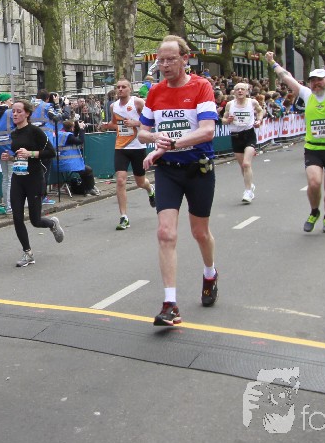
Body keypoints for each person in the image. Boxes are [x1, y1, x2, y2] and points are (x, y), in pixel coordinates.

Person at [137, 36, 218, 327]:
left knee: (200, 232)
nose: (165, 65)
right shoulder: (155, 92)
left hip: (198, 168)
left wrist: (172, 143)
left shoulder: (201, 86)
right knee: (165, 233)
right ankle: (170, 304)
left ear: (185, 59)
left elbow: (207, 130)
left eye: (171, 59)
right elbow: (142, 132)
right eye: (161, 60)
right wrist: (154, 138)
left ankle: (210, 273)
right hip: (168, 170)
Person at [266, 31, 325, 233]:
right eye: (313, 80)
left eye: (319, 80)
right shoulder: (307, 94)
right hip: (313, 149)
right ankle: (314, 211)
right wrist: (272, 62)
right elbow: (286, 77)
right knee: (314, 183)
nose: (316, 83)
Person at [1, 101, 64, 267]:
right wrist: (11, 157)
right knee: (17, 217)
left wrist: (31, 153)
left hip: (34, 178)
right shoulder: (14, 133)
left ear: (27, 114)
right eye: (13, 111)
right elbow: (19, 156)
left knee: (35, 221)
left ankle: (52, 224)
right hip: (18, 177)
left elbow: (51, 152)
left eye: (19, 111)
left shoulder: (35, 131)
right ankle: (28, 253)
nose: (15, 114)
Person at [101, 79, 154, 230]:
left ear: (130, 89)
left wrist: (135, 123)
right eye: (118, 87)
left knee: (140, 182)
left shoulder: (138, 103)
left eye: (123, 87)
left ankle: (150, 189)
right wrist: (105, 126)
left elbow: (150, 122)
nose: (120, 89)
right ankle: (123, 217)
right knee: (120, 180)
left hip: (138, 146)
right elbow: (115, 124)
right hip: (121, 147)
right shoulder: (113, 106)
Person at [221, 82, 263, 203]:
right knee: (242, 166)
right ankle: (250, 184)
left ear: (246, 92)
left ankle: (248, 191)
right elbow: (223, 120)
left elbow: (260, 111)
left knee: (246, 164)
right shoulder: (230, 104)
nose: (240, 91)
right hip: (236, 136)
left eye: (242, 89)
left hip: (249, 135)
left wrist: (259, 120)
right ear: (234, 92)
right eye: (237, 89)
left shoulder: (252, 102)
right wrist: (228, 120)